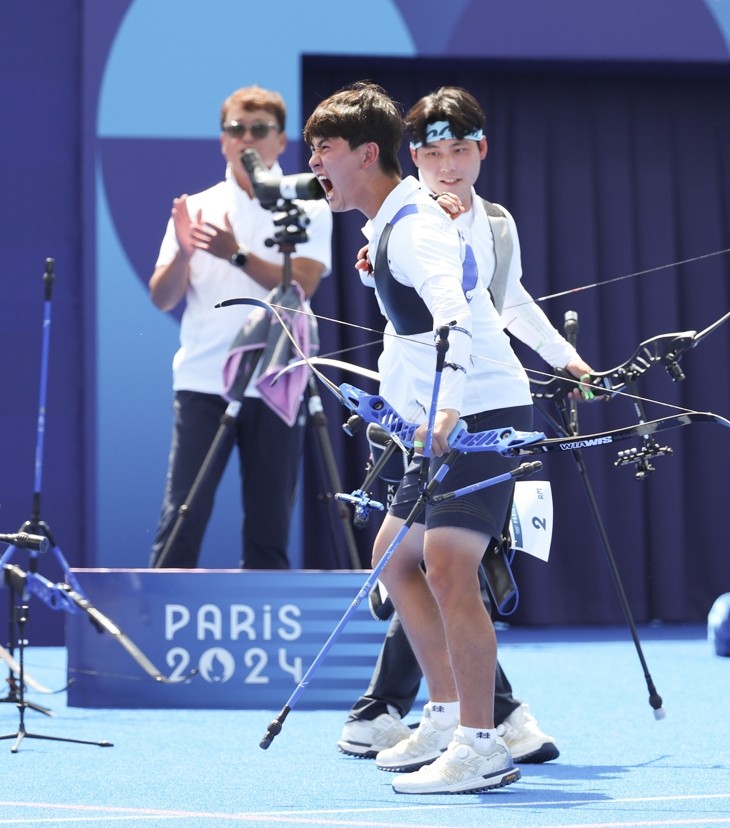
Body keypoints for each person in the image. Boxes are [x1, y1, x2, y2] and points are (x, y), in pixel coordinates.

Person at [336, 86, 592, 772]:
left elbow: (498, 305)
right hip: (415, 414)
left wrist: (565, 359)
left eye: (460, 151)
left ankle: (479, 724)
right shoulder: (406, 217)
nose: (449, 166)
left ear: (482, 151)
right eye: (434, 153)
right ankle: (445, 713)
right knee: (403, 559)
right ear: (412, 157)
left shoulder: (481, 221)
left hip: (468, 409)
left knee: (450, 562)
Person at [149, 85, 332, 569]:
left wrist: (234, 254)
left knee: (270, 527)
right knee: (181, 520)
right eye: (236, 129)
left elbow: (304, 284)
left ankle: (269, 644)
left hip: (276, 380)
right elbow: (162, 296)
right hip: (203, 381)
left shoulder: (306, 199)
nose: (246, 138)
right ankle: (157, 635)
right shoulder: (198, 208)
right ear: (222, 139)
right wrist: (185, 255)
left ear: (281, 139)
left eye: (259, 129)